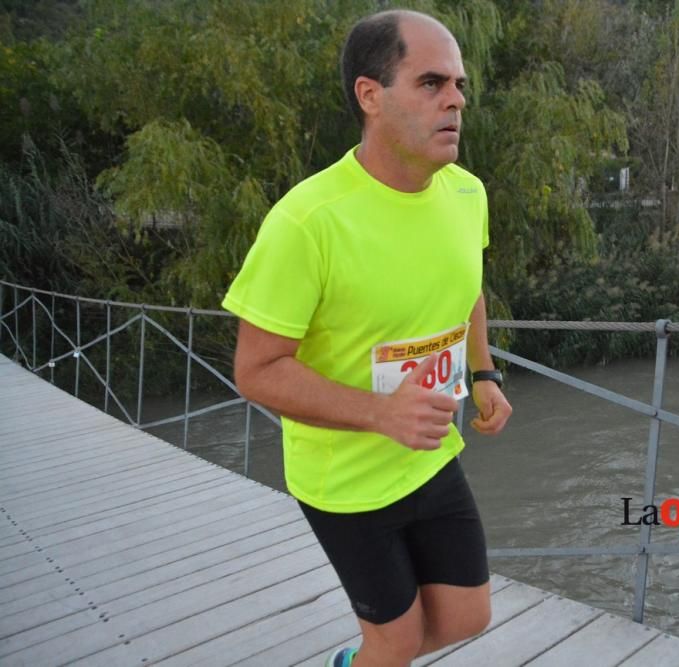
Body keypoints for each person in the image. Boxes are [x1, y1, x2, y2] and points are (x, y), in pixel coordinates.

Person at [222, 9, 512, 667]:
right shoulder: (307, 222)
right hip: (344, 478)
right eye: (433, 82)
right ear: (370, 94)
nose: (457, 99)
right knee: (397, 643)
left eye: (460, 85)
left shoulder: (466, 194)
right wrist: (381, 412)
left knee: (470, 613)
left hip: (430, 453)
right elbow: (257, 369)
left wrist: (484, 371)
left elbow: (466, 281)